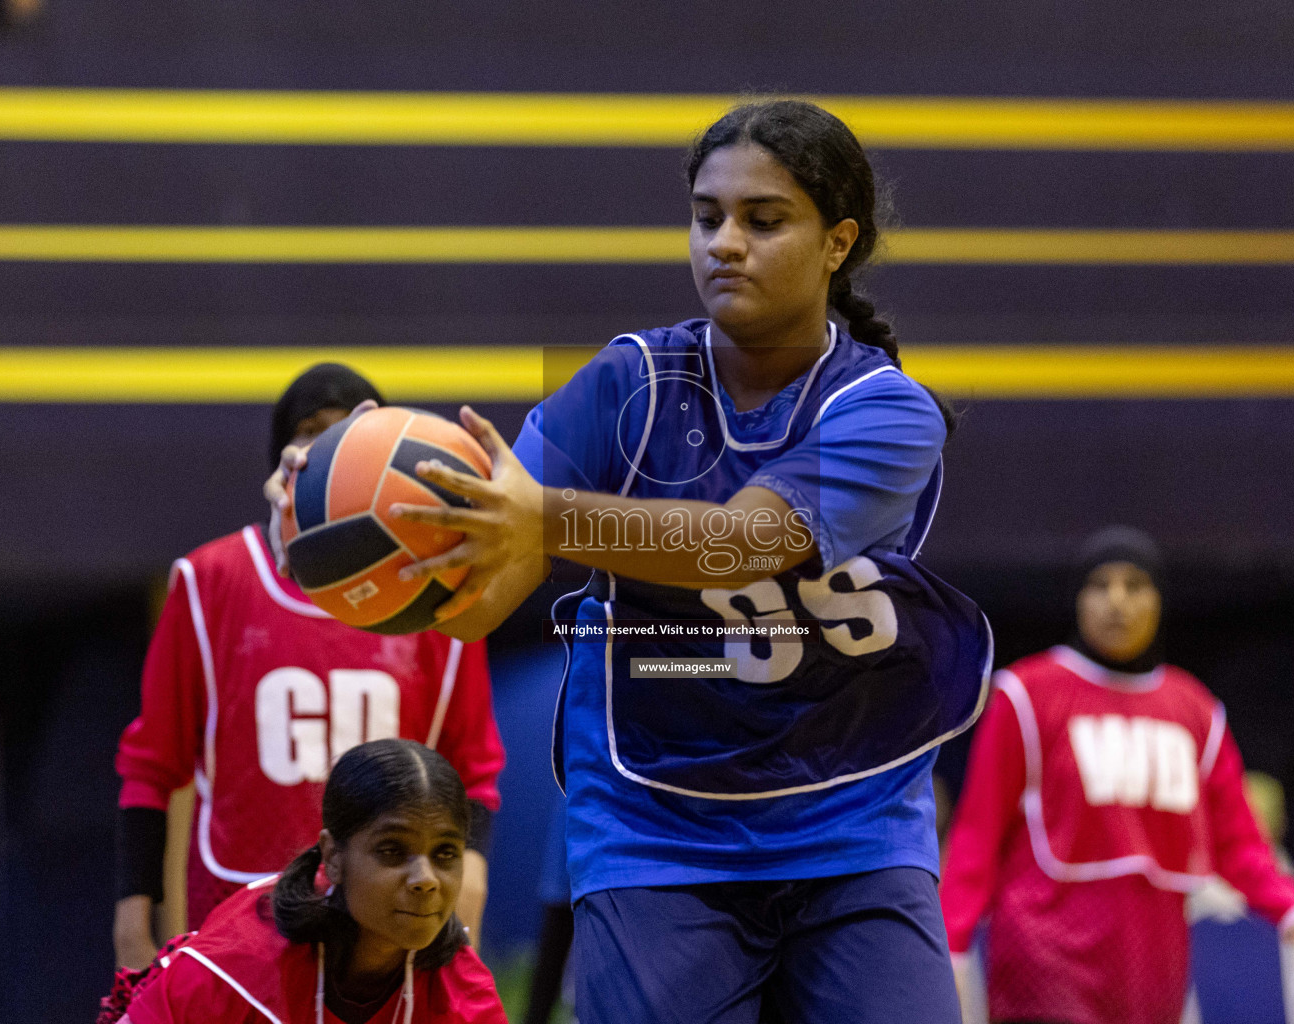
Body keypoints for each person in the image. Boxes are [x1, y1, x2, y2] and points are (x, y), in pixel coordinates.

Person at [270, 99, 992, 1023]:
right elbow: (477, 605)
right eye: (706, 216)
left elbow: (743, 544)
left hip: (850, 819)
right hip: (657, 825)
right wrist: (348, 538)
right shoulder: (621, 384)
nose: (724, 242)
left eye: (762, 220)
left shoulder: (889, 411)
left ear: (838, 242)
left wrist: (544, 515)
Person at [115, 364, 504, 970]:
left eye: (347, 432)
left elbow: (475, 771)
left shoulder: (437, 594)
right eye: (309, 433)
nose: (327, 449)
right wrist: (133, 925)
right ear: (279, 462)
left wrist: (471, 885)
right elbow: (151, 766)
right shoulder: (209, 579)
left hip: (389, 917)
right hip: (240, 911)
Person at [939, 527, 1294, 1024]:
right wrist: (951, 947)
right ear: (1077, 599)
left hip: (1154, 967)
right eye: (1100, 585)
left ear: (1158, 599)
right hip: (1043, 959)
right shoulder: (1026, 694)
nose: (1117, 601)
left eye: (1135, 585)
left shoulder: (1193, 708)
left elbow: (1238, 841)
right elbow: (977, 837)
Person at [101, 738, 507, 1024]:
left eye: (445, 855)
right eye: (391, 851)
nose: (425, 880)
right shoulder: (238, 963)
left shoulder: (463, 990)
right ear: (333, 857)